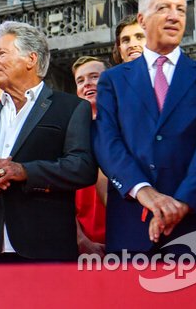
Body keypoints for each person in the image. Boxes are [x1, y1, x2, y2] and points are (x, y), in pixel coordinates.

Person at [93, 0, 196, 253]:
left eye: (180, 9)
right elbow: (107, 144)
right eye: (164, 8)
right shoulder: (113, 81)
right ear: (142, 20)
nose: (174, 16)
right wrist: (145, 193)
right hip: (132, 226)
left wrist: (180, 204)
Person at [0, 21, 96, 263]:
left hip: (48, 252)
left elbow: (82, 168)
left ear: (31, 59)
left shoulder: (71, 108)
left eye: (1, 53)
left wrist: (24, 171)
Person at [72, 56, 108, 256]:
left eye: (95, 77)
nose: (87, 84)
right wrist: (81, 241)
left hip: (128, 240)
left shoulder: (128, 128)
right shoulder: (68, 135)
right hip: (84, 246)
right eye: (80, 80)